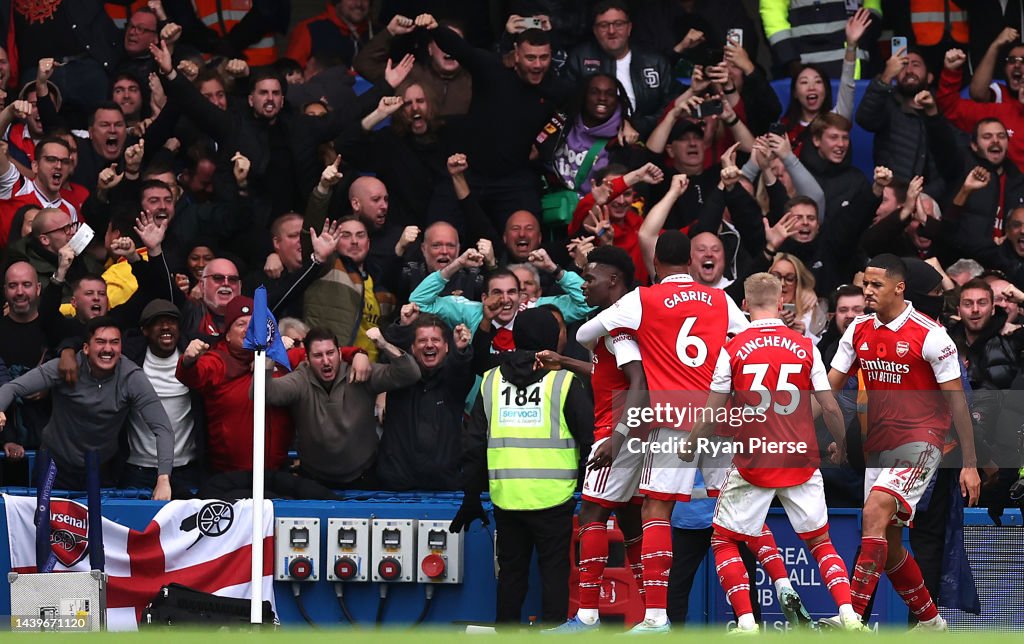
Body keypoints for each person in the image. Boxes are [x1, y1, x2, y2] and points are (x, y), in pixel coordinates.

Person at [576, 230, 747, 633]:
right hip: (718, 417)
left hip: (671, 418)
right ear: (689, 262)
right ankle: (759, 605)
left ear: (654, 266)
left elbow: (586, 334)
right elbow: (744, 338)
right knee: (738, 515)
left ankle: (654, 617)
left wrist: (648, 344)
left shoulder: (642, 299)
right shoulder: (721, 299)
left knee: (655, 510)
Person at [679, 272, 865, 633]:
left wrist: (691, 443)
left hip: (754, 462)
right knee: (820, 542)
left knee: (724, 538)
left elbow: (714, 409)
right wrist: (840, 445)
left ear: (745, 306)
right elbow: (828, 406)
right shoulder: (805, 345)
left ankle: (747, 622)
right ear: (781, 304)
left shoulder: (732, 350)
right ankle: (848, 614)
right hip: (800, 457)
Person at [826, 254, 981, 630]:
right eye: (865, 284)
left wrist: (970, 463)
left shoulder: (931, 335)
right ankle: (932, 624)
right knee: (888, 545)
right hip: (878, 445)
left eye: (876, 285)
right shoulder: (858, 329)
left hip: (922, 443)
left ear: (899, 288)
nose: (867, 292)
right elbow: (828, 388)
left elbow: (957, 402)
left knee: (874, 514)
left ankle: (852, 620)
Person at [451, 307, 593, 627]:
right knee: (554, 577)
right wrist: (588, 489)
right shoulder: (564, 382)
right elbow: (589, 440)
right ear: (553, 339)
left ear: (515, 338)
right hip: (554, 499)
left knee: (511, 580)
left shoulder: (490, 381)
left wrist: (471, 496)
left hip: (507, 498)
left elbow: (473, 445)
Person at [545, 246, 647, 632]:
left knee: (591, 515)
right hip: (635, 433)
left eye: (591, 278)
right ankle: (653, 617)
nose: (584, 285)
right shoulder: (616, 325)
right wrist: (566, 362)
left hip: (616, 433)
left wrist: (616, 439)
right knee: (631, 523)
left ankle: (586, 617)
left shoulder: (619, 327)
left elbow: (639, 382)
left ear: (614, 281)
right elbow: (612, 373)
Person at [0, 316, 173, 499]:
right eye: (100, 342)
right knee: (45, 525)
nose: (108, 349)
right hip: (55, 465)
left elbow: (163, 428)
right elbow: (13, 387)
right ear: (85, 348)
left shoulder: (131, 376)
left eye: (114, 342)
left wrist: (163, 479)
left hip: (102, 469)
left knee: (100, 526)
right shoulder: (66, 367)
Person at [262, 325, 420, 491]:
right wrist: (271, 354)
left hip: (364, 476)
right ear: (307, 359)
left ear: (339, 353)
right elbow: (262, 393)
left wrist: (384, 345)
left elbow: (410, 374)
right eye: (317, 355)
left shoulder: (359, 371)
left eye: (330, 353)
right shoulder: (301, 379)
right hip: (314, 479)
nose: (325, 361)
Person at [176, 296, 294, 474]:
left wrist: (352, 356)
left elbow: (321, 357)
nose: (249, 329)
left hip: (275, 474)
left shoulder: (279, 355)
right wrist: (188, 361)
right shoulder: (219, 360)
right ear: (228, 335)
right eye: (240, 324)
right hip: (230, 477)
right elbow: (193, 376)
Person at [377, 312, 475, 490]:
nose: (429, 345)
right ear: (412, 348)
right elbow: (389, 354)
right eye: (422, 341)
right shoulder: (398, 379)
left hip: (444, 486)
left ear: (447, 347)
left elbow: (460, 369)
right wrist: (403, 327)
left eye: (435, 340)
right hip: (396, 486)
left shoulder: (454, 383)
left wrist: (460, 351)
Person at [120, 299, 203, 493]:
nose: (166, 327)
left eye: (172, 321)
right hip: (138, 469)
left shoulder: (194, 358)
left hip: (185, 469)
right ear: (145, 330)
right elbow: (91, 340)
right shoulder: (130, 359)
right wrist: (66, 350)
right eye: (158, 322)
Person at [564, 1, 674, 138]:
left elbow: (669, 106)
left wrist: (636, 126)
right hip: (591, 141)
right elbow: (568, 105)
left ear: (629, 28)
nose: (611, 31)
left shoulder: (655, 62)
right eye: (604, 25)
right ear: (595, 30)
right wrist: (614, 126)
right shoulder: (579, 58)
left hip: (647, 138)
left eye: (618, 24)